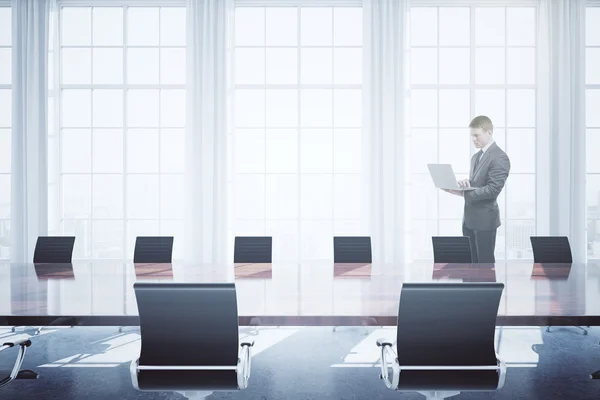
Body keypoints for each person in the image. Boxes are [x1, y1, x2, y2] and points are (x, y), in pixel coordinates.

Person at [444, 115, 510, 263]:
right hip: (469, 220)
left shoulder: (499, 157)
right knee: (470, 265)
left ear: (489, 132)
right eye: (471, 136)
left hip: (485, 221)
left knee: (485, 267)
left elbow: (493, 190)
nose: (474, 139)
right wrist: (463, 187)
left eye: (476, 135)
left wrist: (466, 194)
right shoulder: (476, 157)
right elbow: (478, 185)